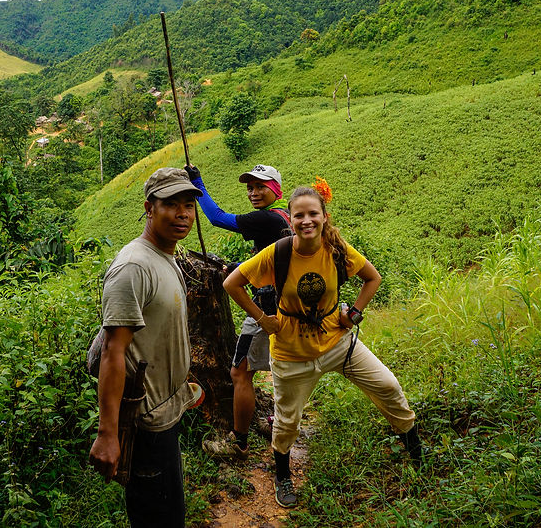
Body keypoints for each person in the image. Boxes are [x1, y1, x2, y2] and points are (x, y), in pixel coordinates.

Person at [223, 183, 422, 509]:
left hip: (337, 343)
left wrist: (353, 314)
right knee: (287, 422)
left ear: (324, 217)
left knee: (387, 385)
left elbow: (372, 278)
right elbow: (232, 283)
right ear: (290, 219)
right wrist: (262, 318)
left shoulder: (336, 249)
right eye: (299, 215)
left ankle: (416, 452)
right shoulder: (278, 253)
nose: (306, 221)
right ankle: (282, 475)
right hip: (292, 353)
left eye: (313, 214)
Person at [88, 167, 203, 527]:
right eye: (171, 204)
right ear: (149, 208)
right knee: (159, 517)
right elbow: (113, 351)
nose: (182, 214)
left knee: (170, 512)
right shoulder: (134, 267)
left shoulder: (165, 256)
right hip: (144, 424)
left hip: (165, 412)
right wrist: (108, 434)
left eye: (188, 205)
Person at [184, 163, 291, 460]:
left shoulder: (265, 218)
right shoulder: (285, 217)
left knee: (240, 372)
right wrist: (241, 267)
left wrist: (198, 184)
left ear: (276, 189)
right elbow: (272, 258)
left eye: (261, 186)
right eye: (250, 188)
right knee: (282, 369)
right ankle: (274, 422)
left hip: (266, 308)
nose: (253, 193)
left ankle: (239, 442)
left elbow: (217, 218)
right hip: (285, 304)